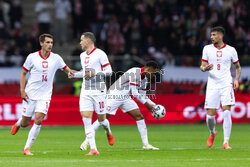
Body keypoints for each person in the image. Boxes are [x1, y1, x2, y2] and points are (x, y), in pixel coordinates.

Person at [10, 34, 73, 155]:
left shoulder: (56, 58)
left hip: (45, 95)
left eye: (51, 42)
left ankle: (26, 149)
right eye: (47, 42)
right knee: (25, 123)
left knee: (39, 119)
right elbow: (23, 73)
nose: (50, 45)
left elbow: (68, 70)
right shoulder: (32, 57)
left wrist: (75, 73)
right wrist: (22, 90)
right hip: (30, 94)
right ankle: (19, 123)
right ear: (41, 43)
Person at [80, 61, 160, 151]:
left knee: (139, 116)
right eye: (154, 73)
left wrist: (155, 106)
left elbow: (143, 95)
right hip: (115, 94)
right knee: (103, 118)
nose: (154, 76)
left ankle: (146, 144)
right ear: (149, 69)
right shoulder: (134, 72)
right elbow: (134, 92)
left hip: (125, 97)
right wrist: (147, 105)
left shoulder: (145, 79)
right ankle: (86, 141)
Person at [69, 32, 114, 156]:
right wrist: (75, 74)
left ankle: (108, 131)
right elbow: (85, 72)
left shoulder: (100, 54)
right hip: (86, 90)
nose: (80, 42)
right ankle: (93, 149)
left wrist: (94, 73)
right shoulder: (82, 55)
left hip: (98, 90)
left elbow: (109, 72)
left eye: (81, 40)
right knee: (86, 118)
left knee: (102, 120)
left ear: (88, 41)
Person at [200, 26, 241, 149]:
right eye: (211, 35)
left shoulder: (231, 50)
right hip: (212, 85)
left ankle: (226, 142)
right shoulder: (207, 49)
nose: (211, 37)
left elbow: (238, 67)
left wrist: (237, 79)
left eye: (214, 35)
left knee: (227, 111)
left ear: (221, 36)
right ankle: (213, 133)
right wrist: (204, 68)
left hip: (226, 84)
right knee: (210, 117)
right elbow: (202, 66)